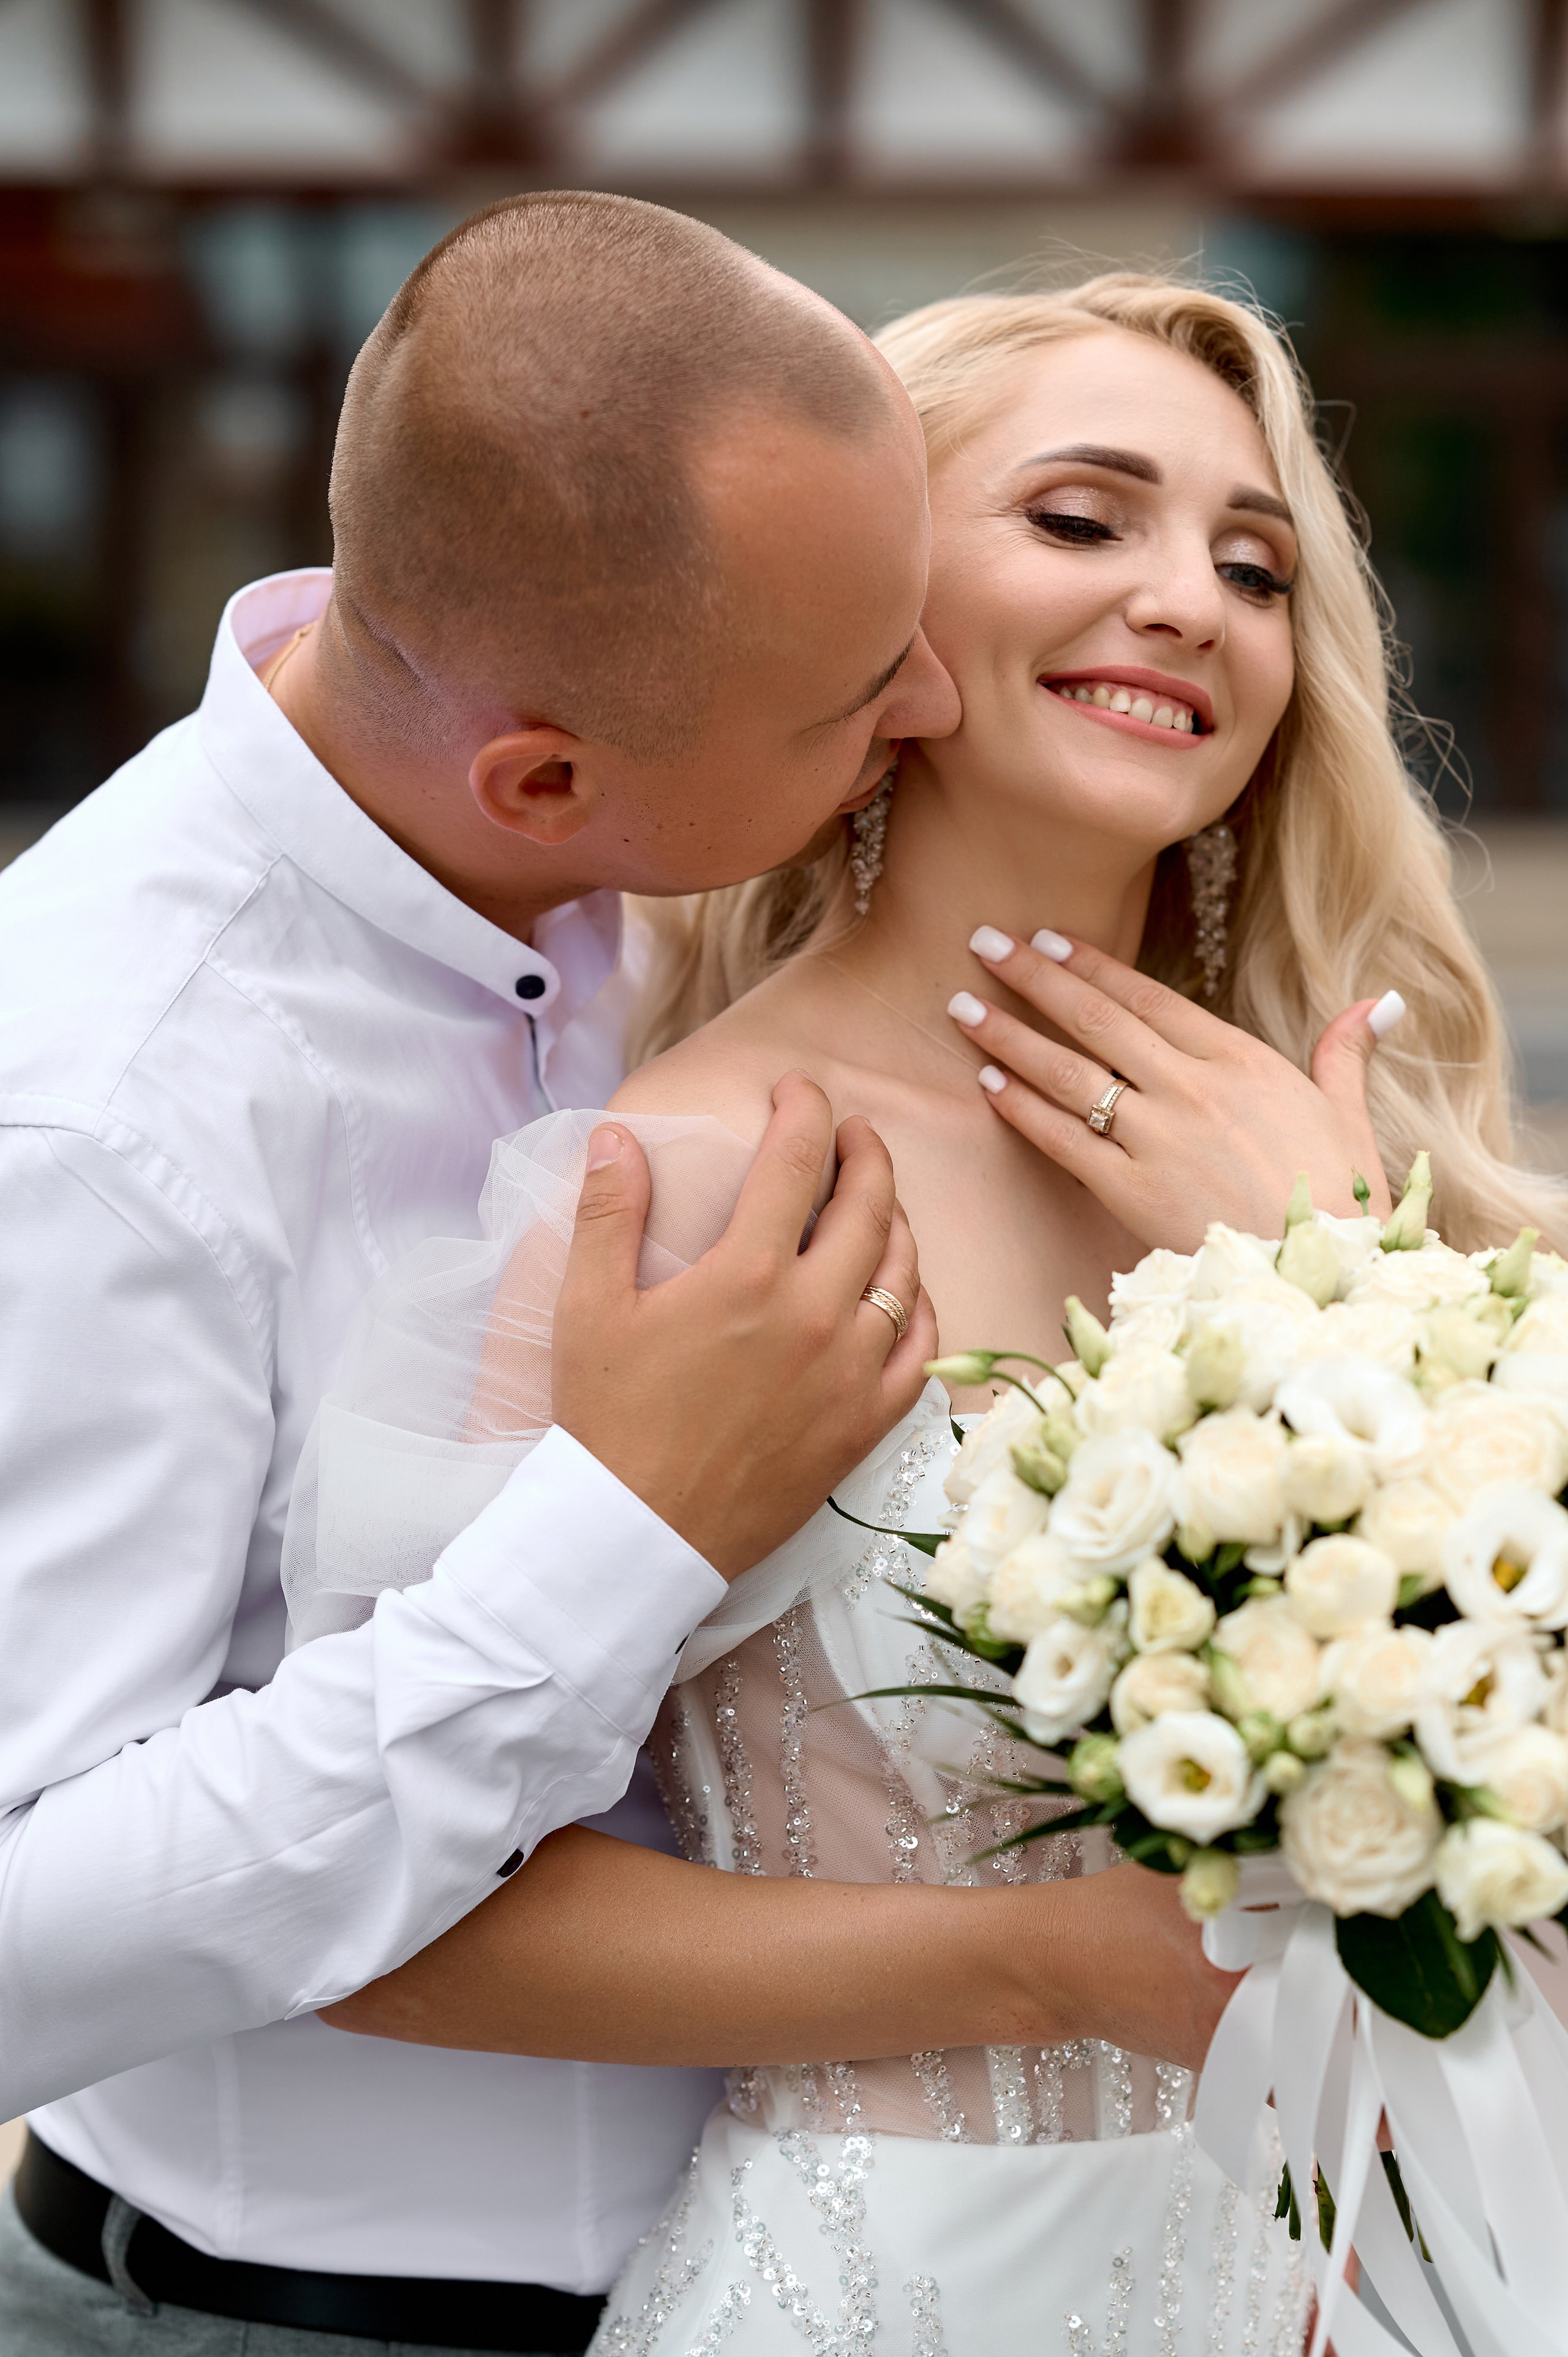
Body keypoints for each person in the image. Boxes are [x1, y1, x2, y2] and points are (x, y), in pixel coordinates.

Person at [0, 195, 1254, 2357]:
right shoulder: (105, 1111)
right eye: (867, 691)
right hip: (310, 2319)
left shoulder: (666, 867)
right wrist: (629, 1524)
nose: (932, 700)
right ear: (546, 776)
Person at [317, 275, 1566, 2354]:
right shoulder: (690, 1186)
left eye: (1254, 563)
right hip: (879, 2292)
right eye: (1084, 522)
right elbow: (389, 1918)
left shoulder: (1367, 1163)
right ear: (876, 615)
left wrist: (1355, 1294)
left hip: (1380, 2282)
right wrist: (1044, 1965)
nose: (1188, 601)